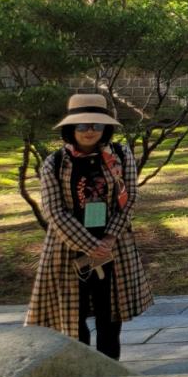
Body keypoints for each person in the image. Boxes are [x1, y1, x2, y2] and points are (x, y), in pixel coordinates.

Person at [26, 93, 152, 360]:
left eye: (96, 124)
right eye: (82, 125)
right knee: (74, 314)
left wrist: (109, 238)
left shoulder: (120, 155)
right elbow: (54, 210)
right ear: (71, 128)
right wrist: (90, 245)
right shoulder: (55, 163)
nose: (89, 131)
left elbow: (129, 198)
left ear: (106, 127)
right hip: (68, 248)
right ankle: (82, 366)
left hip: (113, 246)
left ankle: (110, 366)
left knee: (110, 313)